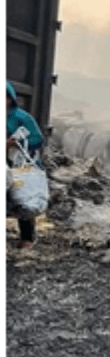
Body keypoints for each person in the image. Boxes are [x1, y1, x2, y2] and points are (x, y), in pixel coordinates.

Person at [6, 81, 44, 249]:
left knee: (23, 197)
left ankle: (27, 237)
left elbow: (38, 139)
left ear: (9, 98)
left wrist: (15, 143)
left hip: (21, 166)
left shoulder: (22, 117)